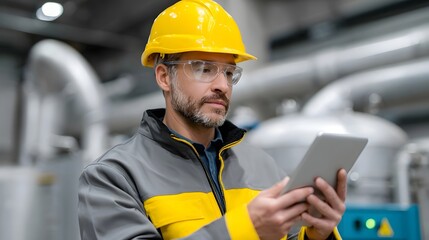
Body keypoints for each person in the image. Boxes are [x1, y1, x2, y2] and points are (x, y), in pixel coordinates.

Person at [78, 0, 347, 239]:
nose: (222, 85)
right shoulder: (113, 177)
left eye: (229, 73)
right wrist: (243, 230)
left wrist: (317, 235)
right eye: (204, 68)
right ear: (163, 76)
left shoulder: (263, 166)